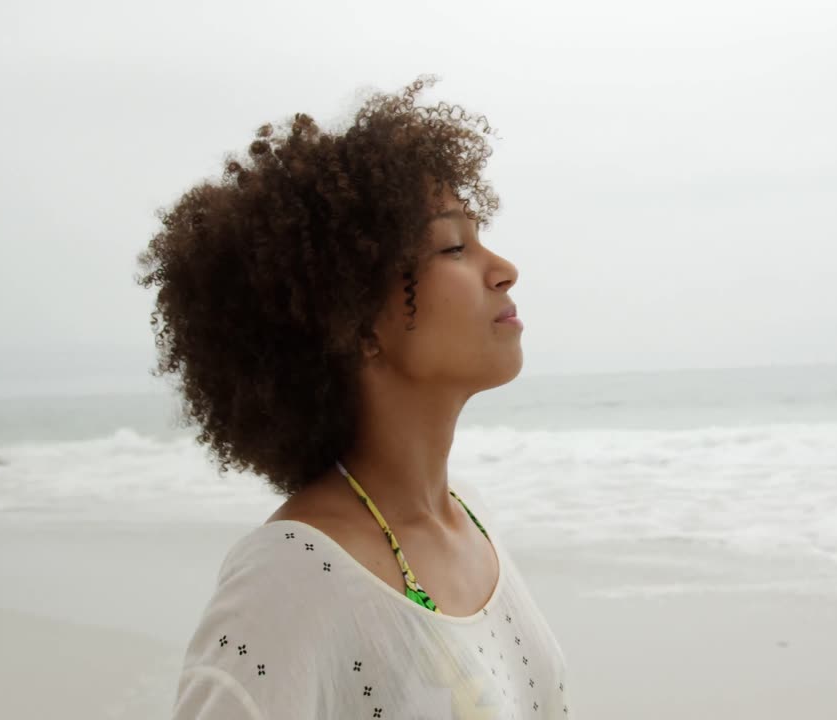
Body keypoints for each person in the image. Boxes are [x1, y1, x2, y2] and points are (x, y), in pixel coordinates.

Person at [139, 77, 574, 719]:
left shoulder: (469, 520)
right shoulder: (289, 579)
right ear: (356, 320)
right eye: (454, 246)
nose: (503, 268)